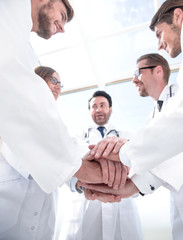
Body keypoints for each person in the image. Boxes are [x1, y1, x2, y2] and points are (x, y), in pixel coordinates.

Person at [81, 53, 183, 239]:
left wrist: (124, 155)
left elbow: (175, 143)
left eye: (138, 72)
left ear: (158, 70)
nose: (133, 80)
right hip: (181, 207)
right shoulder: (150, 119)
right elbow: (150, 161)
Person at [88, 0, 183, 195]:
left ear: (178, 16)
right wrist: (134, 185)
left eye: (159, 34)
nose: (159, 45)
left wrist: (127, 151)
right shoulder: (154, 116)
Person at [0, 0, 117, 194]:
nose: (62, 28)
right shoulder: (11, 9)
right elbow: (14, 83)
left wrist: (77, 172)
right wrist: (86, 170)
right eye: (62, 16)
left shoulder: (21, 38)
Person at [65, 91, 144, 240]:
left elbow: (138, 168)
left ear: (110, 109)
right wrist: (83, 185)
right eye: (94, 106)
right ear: (89, 111)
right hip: (86, 205)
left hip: (121, 206)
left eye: (102, 105)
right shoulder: (77, 137)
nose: (98, 109)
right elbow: (67, 168)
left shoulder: (125, 135)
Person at [0, 66, 62, 240]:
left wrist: (78, 182)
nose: (58, 87)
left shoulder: (55, 121)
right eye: (54, 80)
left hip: (43, 214)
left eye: (60, 84)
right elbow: (26, 159)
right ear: (38, 81)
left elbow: (64, 159)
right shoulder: (15, 109)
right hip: (11, 204)